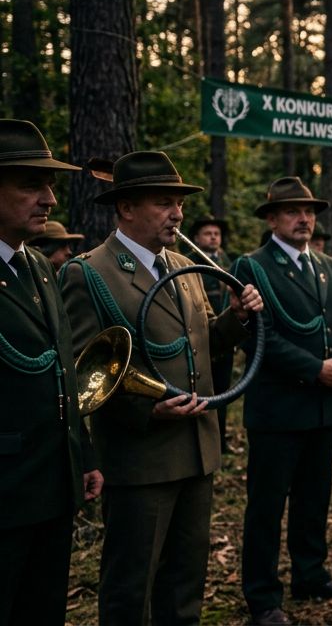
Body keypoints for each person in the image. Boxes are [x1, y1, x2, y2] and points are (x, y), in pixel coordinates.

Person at [62, 151, 261, 626]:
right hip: (142, 459)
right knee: (131, 587)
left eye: (180, 204)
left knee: (184, 586)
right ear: (126, 208)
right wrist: (147, 412)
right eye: (164, 202)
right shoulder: (89, 273)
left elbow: (203, 343)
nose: (177, 214)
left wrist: (236, 317)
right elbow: (82, 373)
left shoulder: (183, 267)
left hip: (197, 451)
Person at [232, 177, 332, 626]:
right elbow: (257, 337)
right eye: (292, 211)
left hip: (323, 406)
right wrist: (316, 368)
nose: (304, 219)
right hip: (278, 408)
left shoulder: (327, 265)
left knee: (314, 497)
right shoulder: (252, 267)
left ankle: (311, 574)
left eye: (308, 211)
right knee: (267, 507)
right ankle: (263, 597)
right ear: (272, 220)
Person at [0, 120, 101, 626]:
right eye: (31, 185)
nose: (50, 200)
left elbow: (62, 368)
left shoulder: (38, 267)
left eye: (51, 185)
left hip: (51, 486)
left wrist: (82, 455)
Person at [186, 215, 236, 453]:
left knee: (223, 391)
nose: (214, 237)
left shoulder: (227, 261)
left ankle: (221, 439)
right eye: (208, 233)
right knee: (203, 392)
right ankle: (204, 443)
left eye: (217, 233)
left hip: (226, 334)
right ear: (196, 238)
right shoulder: (188, 263)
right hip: (200, 338)